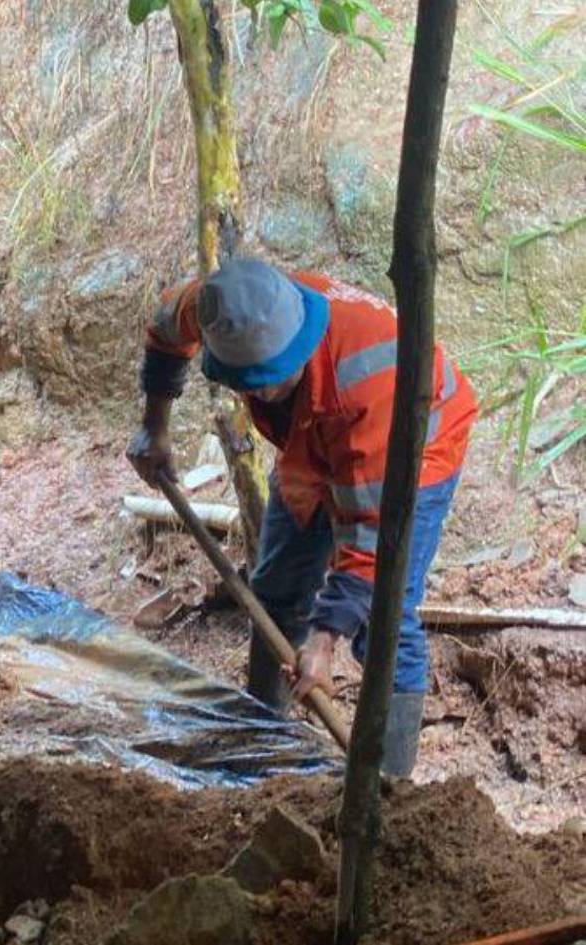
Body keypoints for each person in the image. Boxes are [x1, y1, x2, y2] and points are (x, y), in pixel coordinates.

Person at [126, 257, 477, 776]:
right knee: (276, 587)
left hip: (415, 447)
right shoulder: (223, 303)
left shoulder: (369, 384)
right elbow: (163, 329)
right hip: (310, 439)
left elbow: (368, 545)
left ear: (302, 343)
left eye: (272, 379)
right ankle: (265, 740)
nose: (262, 394)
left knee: (386, 615)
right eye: (250, 383)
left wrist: (322, 640)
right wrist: (155, 428)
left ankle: (386, 789)